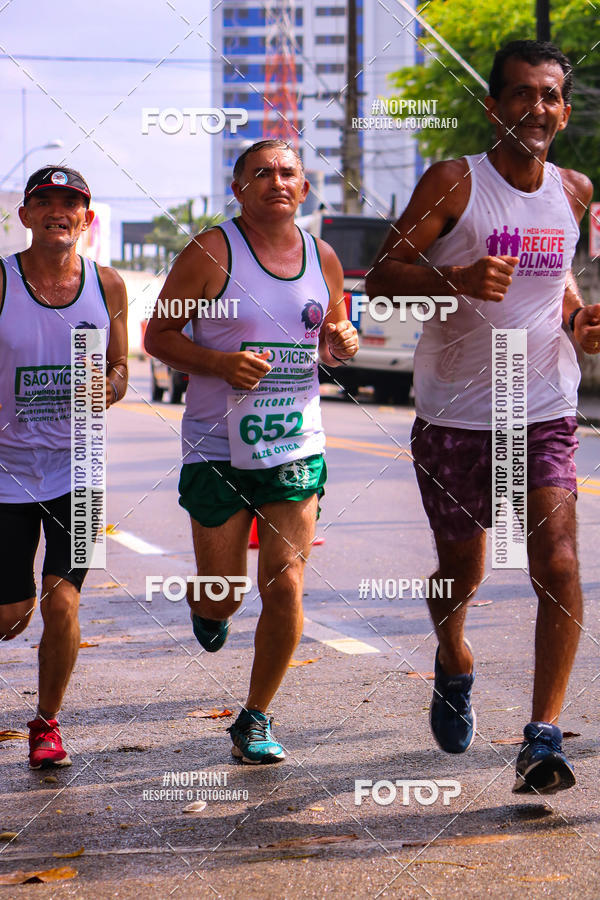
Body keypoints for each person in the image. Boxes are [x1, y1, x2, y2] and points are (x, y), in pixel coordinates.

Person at [366, 40, 600, 793]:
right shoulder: (453, 182)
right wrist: (454, 275)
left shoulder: (573, 191)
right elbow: (383, 281)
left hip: (543, 407)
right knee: (462, 570)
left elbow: (556, 277)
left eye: (550, 95)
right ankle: (453, 655)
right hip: (456, 413)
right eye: (521, 94)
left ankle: (542, 736)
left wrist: (576, 322)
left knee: (559, 564)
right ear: (494, 105)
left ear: (563, 111)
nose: (537, 107)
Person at [144, 139, 358, 764]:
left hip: (295, 441)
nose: (276, 181)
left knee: (286, 583)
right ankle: (209, 606)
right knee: (225, 592)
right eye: (260, 173)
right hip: (217, 447)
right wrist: (218, 363)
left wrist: (342, 340)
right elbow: (158, 335)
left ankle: (256, 717)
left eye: (288, 172)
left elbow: (333, 338)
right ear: (238, 188)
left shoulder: (323, 257)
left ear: (305, 187)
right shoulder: (213, 251)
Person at [0, 166, 128, 768]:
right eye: (44, 201)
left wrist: (106, 387)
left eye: (70, 203)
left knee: (64, 602)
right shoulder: (1, 281)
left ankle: (47, 724)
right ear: (24, 216)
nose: (58, 210)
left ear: (86, 218)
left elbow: (122, 370)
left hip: (81, 469)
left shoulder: (109, 286)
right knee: (10, 615)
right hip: (6, 470)